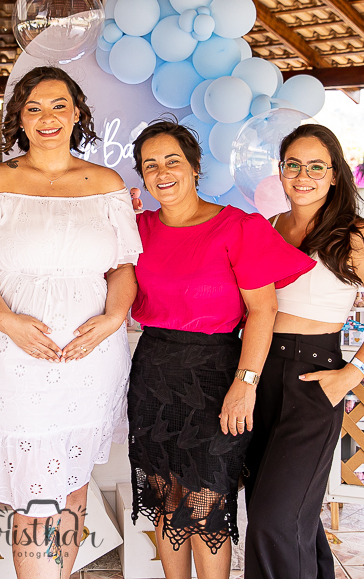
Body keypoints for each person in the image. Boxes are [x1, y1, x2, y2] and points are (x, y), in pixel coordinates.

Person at [0, 65, 141, 578]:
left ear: (77, 114)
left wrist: (113, 318)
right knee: (34, 498)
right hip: (12, 358)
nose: (47, 117)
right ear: (19, 119)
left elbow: (123, 267)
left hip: (90, 358)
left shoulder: (107, 184)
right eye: (33, 108)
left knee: (74, 486)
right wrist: (8, 322)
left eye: (58, 106)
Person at [126, 118, 314, 579]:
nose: (162, 172)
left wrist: (245, 384)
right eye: (150, 165)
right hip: (153, 371)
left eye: (172, 161)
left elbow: (264, 311)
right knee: (167, 498)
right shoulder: (135, 229)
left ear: (194, 167)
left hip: (216, 374)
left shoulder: (238, 226)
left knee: (206, 502)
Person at [243, 124, 364, 579]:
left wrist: (351, 374)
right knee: (286, 514)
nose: (303, 176)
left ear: (334, 175)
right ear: (280, 170)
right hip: (260, 371)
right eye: (293, 165)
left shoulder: (353, 233)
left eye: (316, 167)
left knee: (275, 520)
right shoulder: (271, 227)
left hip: (314, 376)